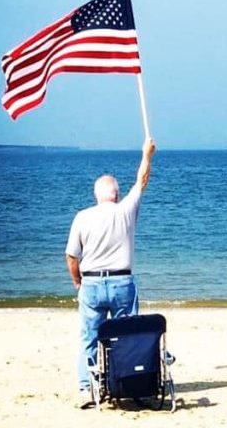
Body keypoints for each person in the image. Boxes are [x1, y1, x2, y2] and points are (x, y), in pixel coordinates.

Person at [65, 137, 156, 408]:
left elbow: (72, 256)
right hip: (121, 282)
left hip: (91, 283)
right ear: (115, 194)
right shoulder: (126, 210)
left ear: (97, 195)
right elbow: (142, 180)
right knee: (126, 336)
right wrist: (147, 154)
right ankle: (126, 382)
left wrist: (77, 282)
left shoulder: (82, 216)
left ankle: (86, 388)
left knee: (89, 336)